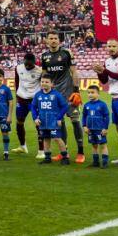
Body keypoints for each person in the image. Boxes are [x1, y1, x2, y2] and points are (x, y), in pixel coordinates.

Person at [41, 31, 85, 163]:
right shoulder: (44, 56)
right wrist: (44, 91)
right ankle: (63, 152)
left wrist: (76, 91)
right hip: (55, 95)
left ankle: (81, 152)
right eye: (51, 38)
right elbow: (44, 76)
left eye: (55, 38)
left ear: (59, 41)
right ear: (47, 41)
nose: (53, 40)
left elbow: (74, 72)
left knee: (75, 120)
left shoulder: (66, 53)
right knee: (60, 123)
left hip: (69, 93)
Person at [92, 38, 118, 165]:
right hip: (114, 98)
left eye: (113, 46)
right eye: (109, 46)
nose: (111, 48)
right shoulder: (107, 61)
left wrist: (105, 70)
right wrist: (99, 72)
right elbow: (104, 81)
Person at [33, 74, 70, 165]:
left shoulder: (56, 95)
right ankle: (47, 157)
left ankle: (65, 157)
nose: (44, 84)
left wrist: (59, 118)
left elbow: (65, 106)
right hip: (43, 122)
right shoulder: (38, 95)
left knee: (57, 138)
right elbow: (33, 107)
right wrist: (35, 118)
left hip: (53, 121)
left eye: (46, 82)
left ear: (51, 84)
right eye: (42, 82)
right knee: (46, 138)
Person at [12, 52, 42, 156]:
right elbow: (16, 81)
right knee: (19, 122)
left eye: (30, 64)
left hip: (34, 100)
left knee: (38, 124)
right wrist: (17, 94)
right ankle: (23, 146)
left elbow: (43, 85)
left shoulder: (39, 71)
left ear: (34, 62)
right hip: (21, 99)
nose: (28, 66)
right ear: (24, 61)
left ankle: (41, 151)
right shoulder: (18, 68)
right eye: (26, 64)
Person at [81, 84, 111, 168]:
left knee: (103, 145)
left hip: (100, 129)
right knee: (94, 145)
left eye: (92, 92)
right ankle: (95, 162)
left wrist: (105, 128)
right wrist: (84, 126)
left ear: (98, 94)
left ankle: (105, 163)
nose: (90, 94)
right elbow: (84, 116)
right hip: (90, 129)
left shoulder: (102, 105)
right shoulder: (86, 105)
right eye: (89, 92)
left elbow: (107, 117)